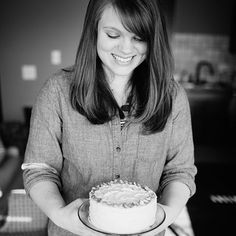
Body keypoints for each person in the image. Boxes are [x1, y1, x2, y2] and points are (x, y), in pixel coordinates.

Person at [22, 0, 197, 235]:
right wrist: (60, 215)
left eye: (138, 37)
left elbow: (180, 171)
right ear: (93, 31)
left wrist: (165, 215)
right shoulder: (57, 91)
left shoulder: (172, 97)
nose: (126, 49)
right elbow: (39, 169)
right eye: (113, 34)